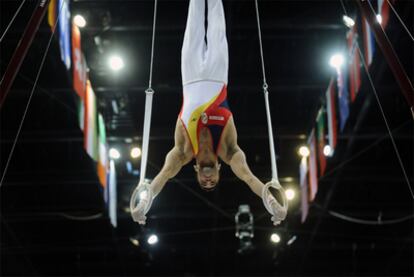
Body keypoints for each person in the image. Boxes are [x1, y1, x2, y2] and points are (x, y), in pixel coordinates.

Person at [131, 0, 287, 225]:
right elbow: (249, 178)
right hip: (218, 74)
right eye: (212, 182)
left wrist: (143, 204)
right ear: (219, 171)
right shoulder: (230, 151)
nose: (207, 180)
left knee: (194, 13)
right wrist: (274, 204)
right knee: (215, 15)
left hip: (190, 76)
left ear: (195, 171)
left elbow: (162, 176)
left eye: (203, 182)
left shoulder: (183, 151)